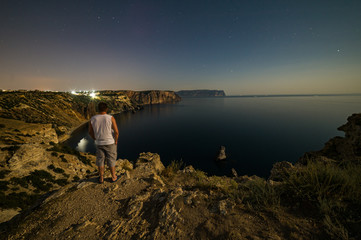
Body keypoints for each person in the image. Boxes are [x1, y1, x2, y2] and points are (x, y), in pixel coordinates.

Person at [88, 102, 119, 183]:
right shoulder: (111, 118)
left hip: (99, 143)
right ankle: (113, 177)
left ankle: (101, 178)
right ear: (106, 109)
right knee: (111, 159)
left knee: (100, 160)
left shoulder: (93, 118)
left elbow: (90, 132)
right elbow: (116, 132)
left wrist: (95, 139)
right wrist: (116, 140)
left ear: (98, 109)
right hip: (110, 142)